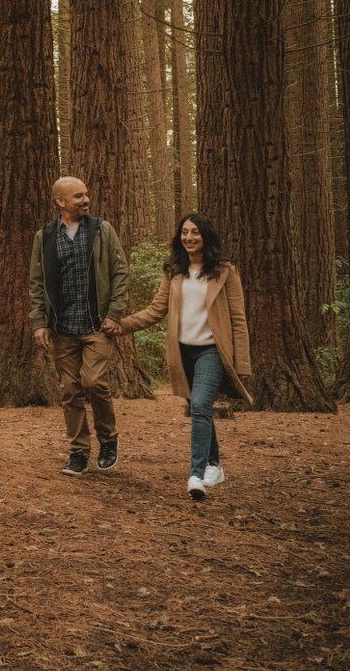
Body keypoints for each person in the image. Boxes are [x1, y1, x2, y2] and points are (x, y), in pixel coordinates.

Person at [106, 212, 251, 500]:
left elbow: (238, 320)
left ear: (205, 236)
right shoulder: (174, 271)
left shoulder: (225, 272)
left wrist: (242, 363)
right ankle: (214, 465)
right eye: (184, 232)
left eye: (195, 232)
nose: (189, 237)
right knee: (201, 410)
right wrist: (120, 326)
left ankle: (196, 475)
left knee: (198, 406)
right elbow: (155, 310)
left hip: (211, 350)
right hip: (182, 353)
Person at [29, 176, 130, 475]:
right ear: (61, 202)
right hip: (62, 328)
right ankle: (78, 452)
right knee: (70, 390)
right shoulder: (44, 236)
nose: (86, 200)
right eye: (78, 196)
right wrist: (39, 323)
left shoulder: (102, 230)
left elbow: (120, 272)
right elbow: (36, 283)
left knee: (94, 383)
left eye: (86, 194)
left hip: (97, 325)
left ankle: (108, 441)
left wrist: (114, 313)